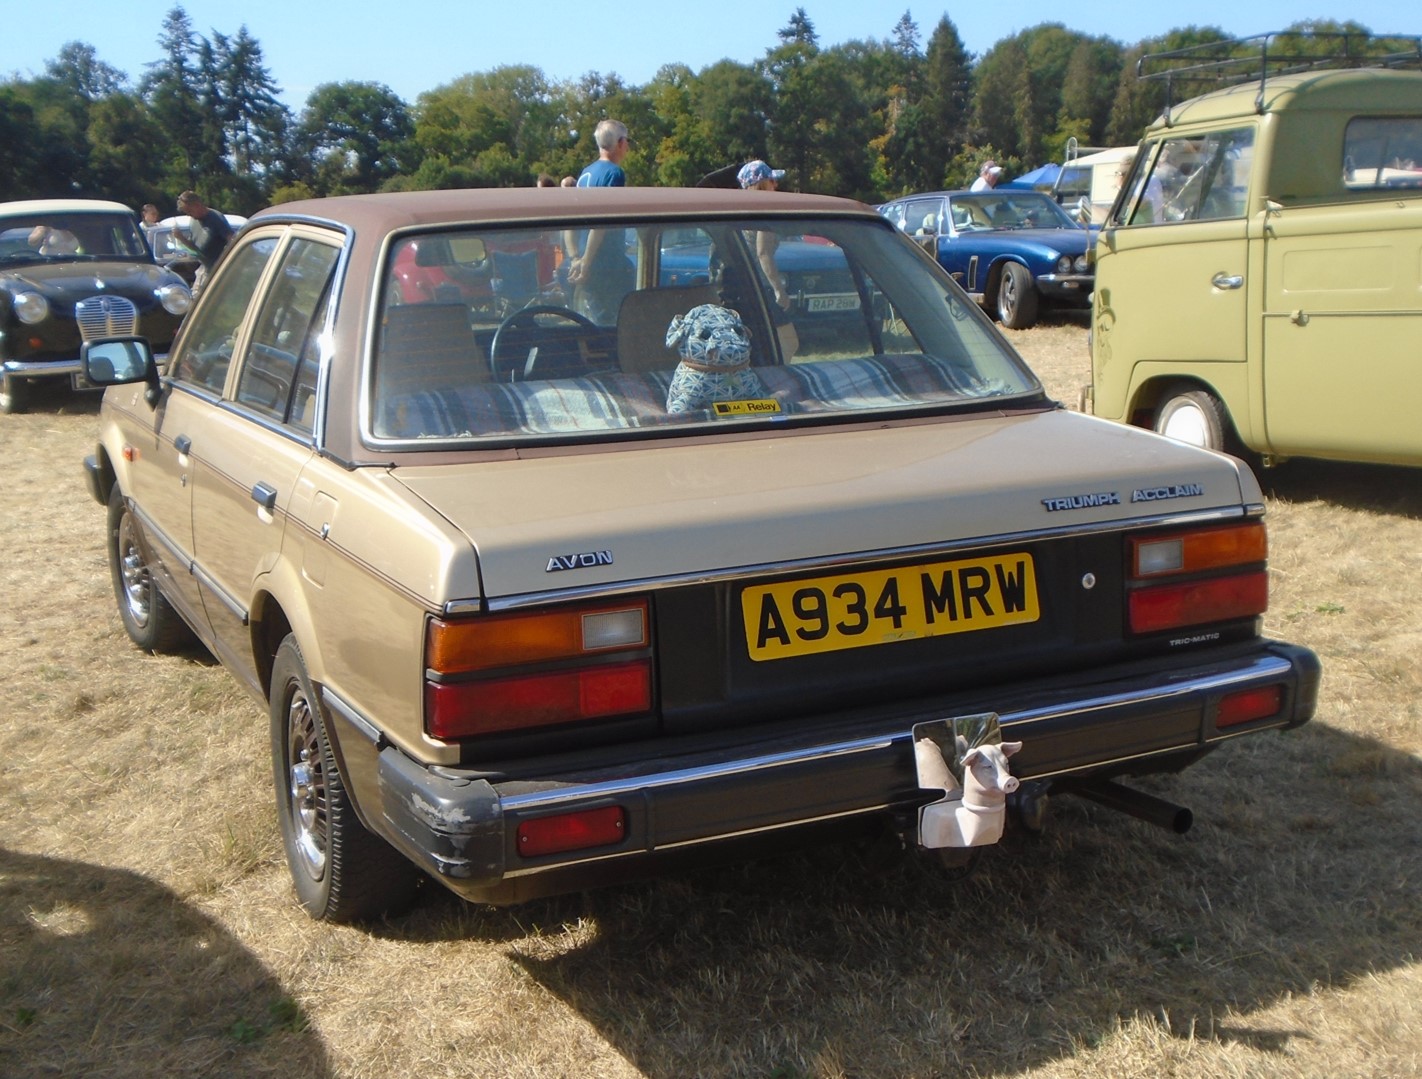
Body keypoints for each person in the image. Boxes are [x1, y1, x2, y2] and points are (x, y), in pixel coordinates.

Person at [567, 120, 634, 322]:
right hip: (607, 264)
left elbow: (571, 219)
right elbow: (602, 221)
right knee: (615, 322)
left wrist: (575, 258)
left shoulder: (585, 173)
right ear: (621, 143)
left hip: (585, 264)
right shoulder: (614, 173)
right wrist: (587, 262)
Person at [737, 159, 798, 360]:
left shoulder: (741, 213)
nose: (776, 185)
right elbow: (763, 253)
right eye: (772, 181)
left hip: (744, 288)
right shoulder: (762, 214)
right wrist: (779, 290)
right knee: (788, 342)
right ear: (762, 184)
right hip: (761, 288)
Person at [175, 190, 233, 298]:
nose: (189, 215)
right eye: (186, 212)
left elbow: (232, 241)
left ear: (197, 205)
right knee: (195, 300)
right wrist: (181, 238)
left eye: (189, 211)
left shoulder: (216, 218)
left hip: (219, 270)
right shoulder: (193, 221)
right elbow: (194, 248)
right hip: (204, 268)